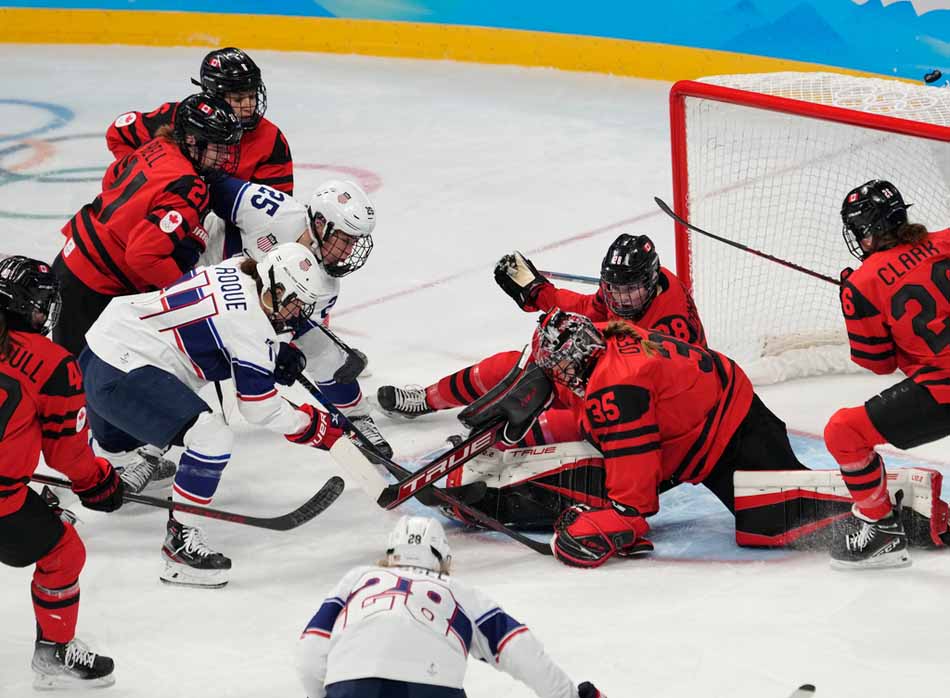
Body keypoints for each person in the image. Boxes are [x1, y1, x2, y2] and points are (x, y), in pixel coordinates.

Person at [79, 243, 345, 587]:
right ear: (276, 289)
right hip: (122, 375)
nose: (297, 313)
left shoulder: (238, 268)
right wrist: (312, 425)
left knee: (178, 397)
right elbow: (259, 407)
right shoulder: (253, 326)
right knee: (212, 436)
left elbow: (215, 333)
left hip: (101, 349)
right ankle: (180, 544)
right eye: (295, 302)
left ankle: (114, 459)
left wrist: (273, 352)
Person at [489, 309, 806, 568]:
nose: (555, 376)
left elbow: (633, 506)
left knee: (781, 519)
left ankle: (855, 509)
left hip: (732, 434)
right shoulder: (600, 336)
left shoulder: (616, 388)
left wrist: (613, 522)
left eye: (557, 369)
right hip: (708, 414)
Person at [54, 93, 242, 490]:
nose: (224, 157)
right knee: (80, 385)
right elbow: (143, 256)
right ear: (192, 141)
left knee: (64, 376)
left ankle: (77, 460)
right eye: (217, 147)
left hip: (71, 265)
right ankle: (92, 469)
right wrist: (183, 291)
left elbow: (114, 176)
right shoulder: (191, 187)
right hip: (95, 289)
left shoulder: (157, 147)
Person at [378, 233, 704, 430]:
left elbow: (654, 374)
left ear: (649, 282)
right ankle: (426, 399)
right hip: (623, 391)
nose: (621, 298)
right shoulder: (627, 289)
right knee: (511, 369)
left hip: (656, 414)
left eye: (629, 290)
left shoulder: (673, 324)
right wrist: (538, 293)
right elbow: (591, 308)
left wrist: (589, 342)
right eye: (614, 289)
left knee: (550, 407)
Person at [296, 515, 604, 698]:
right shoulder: (459, 592)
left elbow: (311, 650)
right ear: (444, 559)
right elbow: (520, 649)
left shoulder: (358, 578)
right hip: (432, 688)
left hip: (352, 686)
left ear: (391, 553)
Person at [200, 176, 392, 458]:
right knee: (179, 356)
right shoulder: (273, 212)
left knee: (323, 350)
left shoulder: (325, 285)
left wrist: (282, 351)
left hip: (250, 312)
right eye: (345, 239)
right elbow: (211, 188)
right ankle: (148, 447)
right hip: (203, 282)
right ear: (321, 224)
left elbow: (286, 328)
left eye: (356, 241)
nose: (350, 251)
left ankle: (357, 417)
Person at [0, 256, 124, 689]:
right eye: (39, 304)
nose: (44, 313)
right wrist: (99, 482)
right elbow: (67, 453)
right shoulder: (50, 362)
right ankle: (53, 655)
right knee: (63, 551)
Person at [824, 180, 950, 569]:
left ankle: (880, 530)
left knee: (843, 432)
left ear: (866, 230)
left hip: (943, 390)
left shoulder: (861, 283)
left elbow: (878, 363)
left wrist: (857, 300)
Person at [106, 47, 294, 195]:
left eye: (252, 96)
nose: (249, 106)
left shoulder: (271, 139)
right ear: (213, 95)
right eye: (238, 99)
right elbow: (118, 134)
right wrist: (136, 179)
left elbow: (276, 205)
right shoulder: (180, 117)